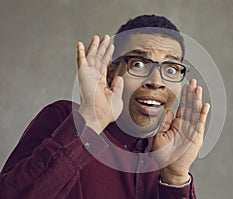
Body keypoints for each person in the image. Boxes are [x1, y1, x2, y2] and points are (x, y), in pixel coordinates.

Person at [0, 15, 210, 199]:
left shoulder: (163, 157)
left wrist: (175, 177)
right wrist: (90, 121)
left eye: (171, 69)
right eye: (139, 64)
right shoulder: (65, 119)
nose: (156, 81)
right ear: (110, 73)